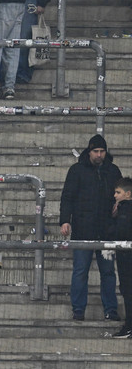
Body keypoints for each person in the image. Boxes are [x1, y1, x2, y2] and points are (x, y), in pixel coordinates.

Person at [60, 134, 122, 321]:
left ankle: (111, 310)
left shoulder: (113, 171)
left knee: (108, 272)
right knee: (80, 271)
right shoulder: (77, 170)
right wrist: (65, 220)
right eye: (96, 151)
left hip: (107, 232)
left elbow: (122, 195)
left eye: (102, 151)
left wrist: (120, 206)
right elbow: (67, 197)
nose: (99, 155)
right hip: (82, 231)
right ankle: (78, 309)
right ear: (89, 152)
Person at [111, 177, 132, 338]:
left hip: (127, 256)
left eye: (118, 192)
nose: (115, 195)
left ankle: (129, 326)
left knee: (127, 290)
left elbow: (122, 232)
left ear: (128, 194)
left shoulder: (125, 209)